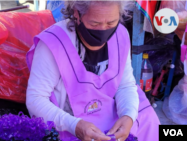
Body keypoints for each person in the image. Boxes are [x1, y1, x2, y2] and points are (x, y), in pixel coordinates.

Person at [26, 0, 160, 140]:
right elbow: (35, 99)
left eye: (111, 23)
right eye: (94, 24)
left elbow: (125, 84)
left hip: (112, 114)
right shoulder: (53, 43)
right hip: (70, 121)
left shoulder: (120, 35)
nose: (103, 30)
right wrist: (74, 125)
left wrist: (128, 116)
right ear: (77, 13)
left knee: (148, 120)